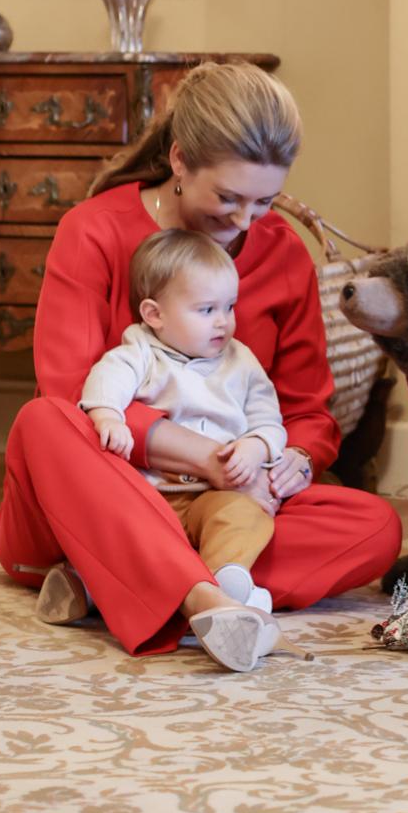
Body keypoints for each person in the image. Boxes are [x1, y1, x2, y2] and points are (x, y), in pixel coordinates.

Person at [0, 60, 401, 672]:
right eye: (228, 197)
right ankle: (205, 595)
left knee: (374, 527)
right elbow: (73, 396)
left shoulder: (283, 254)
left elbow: (308, 412)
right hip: (99, 496)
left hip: (227, 502)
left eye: (264, 201)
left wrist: (294, 459)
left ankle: (107, 582)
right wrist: (207, 459)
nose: (243, 221)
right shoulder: (94, 232)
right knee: (44, 422)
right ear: (180, 161)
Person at [80, 230, 291, 620]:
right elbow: (107, 377)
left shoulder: (240, 361)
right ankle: (93, 584)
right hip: (149, 495)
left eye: (229, 307)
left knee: (246, 515)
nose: (223, 323)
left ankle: (222, 580)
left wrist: (256, 446)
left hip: (213, 495)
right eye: (206, 310)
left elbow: (270, 420)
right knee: (117, 530)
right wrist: (107, 414)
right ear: (154, 314)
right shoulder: (140, 351)